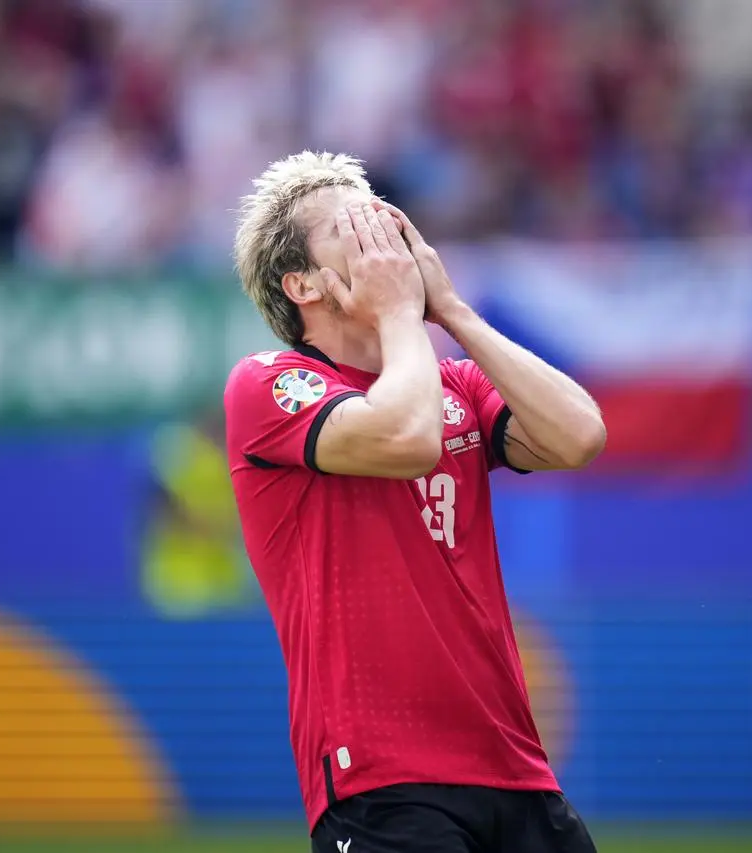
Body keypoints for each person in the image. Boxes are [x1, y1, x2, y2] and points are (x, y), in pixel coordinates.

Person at [224, 152, 608, 853]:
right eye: (350, 227)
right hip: (383, 781)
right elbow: (406, 435)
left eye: (381, 218)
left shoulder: (455, 382)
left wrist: (452, 311)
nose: (380, 237)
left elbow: (580, 435)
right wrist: (401, 311)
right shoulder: (269, 384)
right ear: (301, 282)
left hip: (515, 769)